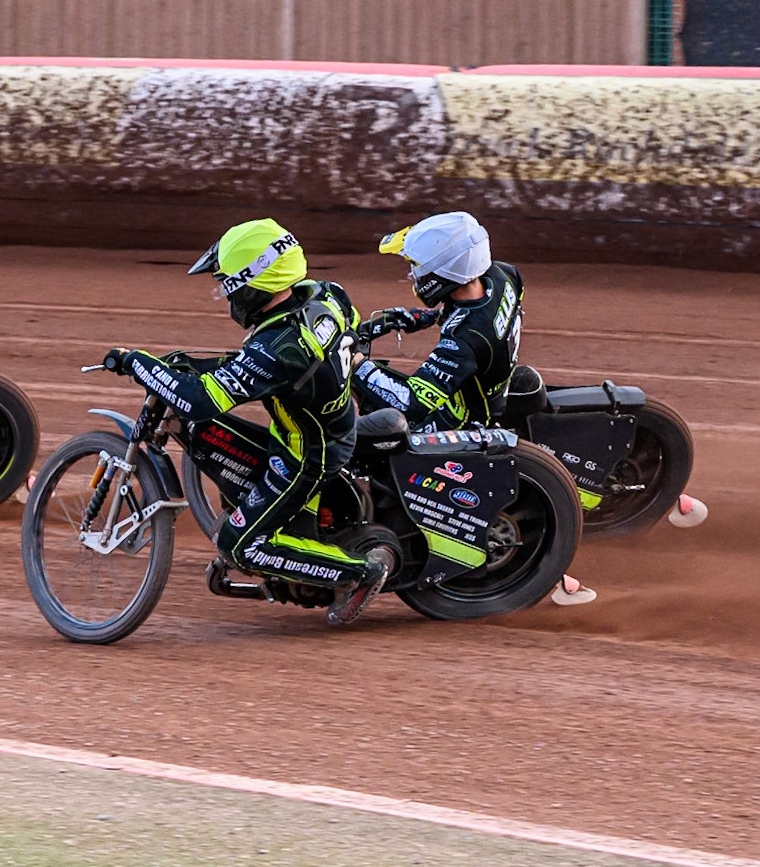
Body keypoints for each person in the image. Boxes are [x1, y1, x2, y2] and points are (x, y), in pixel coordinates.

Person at [102, 218, 393, 626]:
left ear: (253, 284)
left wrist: (138, 363)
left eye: (228, 285)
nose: (226, 295)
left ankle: (360, 574)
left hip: (306, 455)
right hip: (324, 426)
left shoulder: (278, 348)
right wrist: (192, 365)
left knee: (239, 545)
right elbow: (267, 363)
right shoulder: (327, 294)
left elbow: (199, 401)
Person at [357, 211, 595, 605]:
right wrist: (419, 318)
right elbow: (469, 308)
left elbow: (412, 404)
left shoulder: (467, 340)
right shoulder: (503, 275)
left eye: (417, 267)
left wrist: (356, 367)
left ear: (444, 273)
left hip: (463, 417)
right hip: (493, 383)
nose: (412, 274)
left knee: (375, 433)